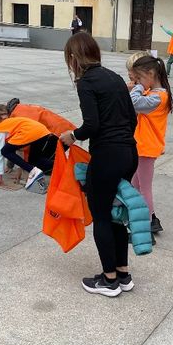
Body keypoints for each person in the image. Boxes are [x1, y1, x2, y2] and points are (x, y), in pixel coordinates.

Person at [58, 32, 138, 298]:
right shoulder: (114, 77)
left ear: (74, 57)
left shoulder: (86, 82)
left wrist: (72, 136)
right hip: (129, 153)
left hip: (107, 156)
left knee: (102, 216)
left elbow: (92, 125)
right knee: (116, 214)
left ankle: (109, 280)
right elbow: (132, 120)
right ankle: (123, 274)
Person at [127, 53, 173, 238]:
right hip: (142, 146)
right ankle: (145, 221)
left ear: (151, 74)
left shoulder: (158, 97)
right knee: (135, 186)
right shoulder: (153, 93)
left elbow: (134, 102)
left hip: (146, 147)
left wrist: (137, 87)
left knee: (144, 188)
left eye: (139, 78)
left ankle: (146, 228)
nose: (137, 82)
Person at [0, 109, 61, 189]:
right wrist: (19, 170)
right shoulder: (8, 123)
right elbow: (18, 150)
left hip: (31, 132)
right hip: (41, 131)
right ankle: (63, 165)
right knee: (34, 161)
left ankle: (33, 171)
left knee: (5, 151)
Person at [0, 99, 76, 136]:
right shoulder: (17, 109)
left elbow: (26, 142)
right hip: (62, 128)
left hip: (60, 132)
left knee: (37, 159)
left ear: (3, 113)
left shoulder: (18, 115)